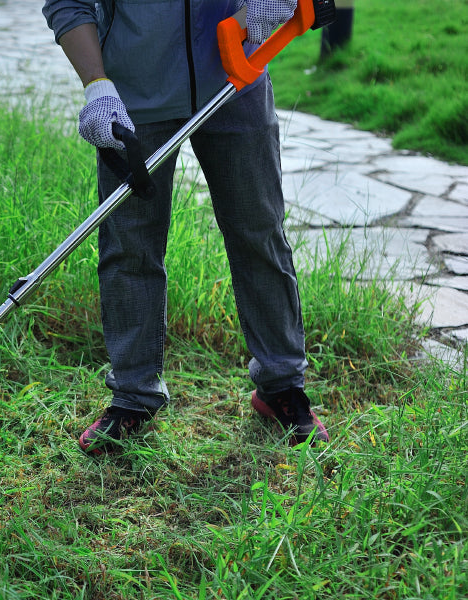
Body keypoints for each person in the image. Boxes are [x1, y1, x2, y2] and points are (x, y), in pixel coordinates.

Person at [41, 0, 330, 453]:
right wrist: (97, 86)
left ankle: (281, 388)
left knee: (260, 232)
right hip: (133, 95)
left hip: (238, 78)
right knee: (129, 244)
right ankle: (134, 396)